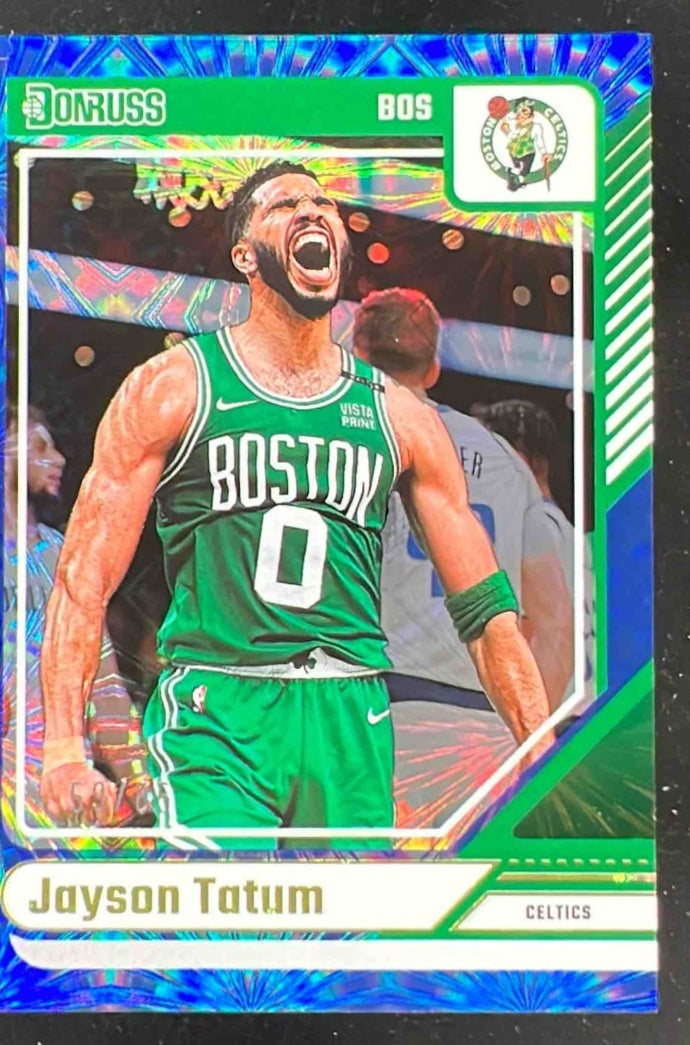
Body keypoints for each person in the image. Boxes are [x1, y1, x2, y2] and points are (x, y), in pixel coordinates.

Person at [39, 161, 552, 846]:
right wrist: (63, 748)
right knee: (223, 908)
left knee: (351, 918)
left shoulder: (400, 416)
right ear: (245, 256)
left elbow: (487, 612)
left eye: (323, 203)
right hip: (220, 708)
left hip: (351, 712)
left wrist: (546, 759)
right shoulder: (173, 386)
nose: (312, 211)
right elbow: (83, 580)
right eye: (284, 205)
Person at [352, 288, 574, 724]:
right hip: (480, 703)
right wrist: (526, 736)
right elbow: (555, 625)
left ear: (356, 354)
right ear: (433, 369)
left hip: (369, 695)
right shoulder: (505, 461)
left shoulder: (332, 441)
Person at [2, 405, 152, 834]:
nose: (59, 459)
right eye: (40, 446)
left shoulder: (65, 556)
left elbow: (103, 684)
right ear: (0, 451)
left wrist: (140, 784)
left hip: (62, 792)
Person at [479, 398, 593, 704]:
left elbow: (532, 633)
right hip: (582, 702)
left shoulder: (529, 524)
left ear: (532, 461)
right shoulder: (570, 531)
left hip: (554, 704)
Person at [499, 98, 553, 192]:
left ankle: (517, 179)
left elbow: (539, 141)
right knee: (516, 168)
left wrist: (544, 153)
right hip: (514, 152)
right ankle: (513, 177)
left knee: (524, 171)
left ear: (531, 115)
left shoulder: (536, 127)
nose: (521, 115)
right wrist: (506, 129)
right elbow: (513, 136)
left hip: (527, 153)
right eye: (518, 112)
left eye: (525, 111)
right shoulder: (517, 126)